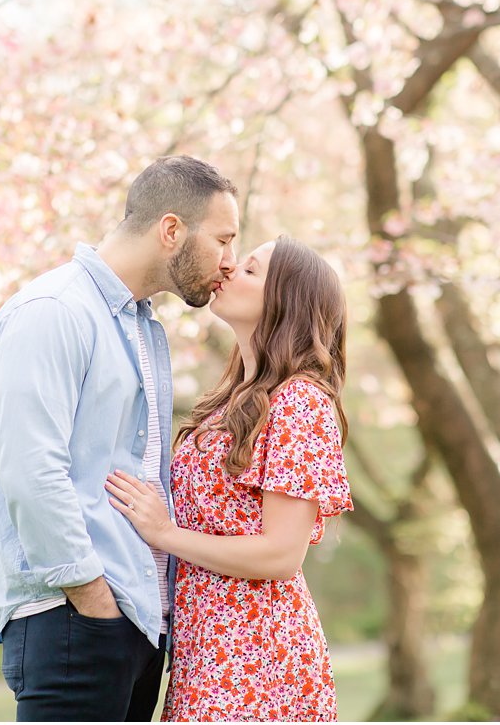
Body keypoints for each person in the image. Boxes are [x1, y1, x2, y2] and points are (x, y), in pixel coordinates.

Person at [0, 155, 240, 722]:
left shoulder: (143, 326)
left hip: (135, 622)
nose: (230, 261)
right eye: (223, 240)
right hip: (75, 617)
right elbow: (30, 472)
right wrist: (95, 600)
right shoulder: (54, 312)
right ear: (171, 230)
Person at [105, 236, 352, 722]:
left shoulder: (300, 402)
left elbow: (281, 555)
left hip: (259, 659)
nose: (230, 268)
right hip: (205, 654)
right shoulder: (228, 402)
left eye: (251, 271)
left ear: (286, 302)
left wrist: (166, 535)